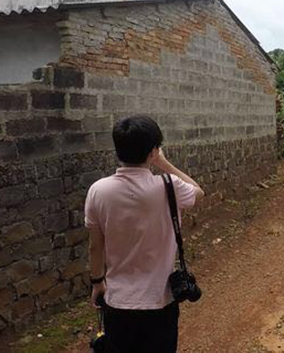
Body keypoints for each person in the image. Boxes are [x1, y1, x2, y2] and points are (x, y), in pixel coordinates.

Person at [85, 115, 205, 352]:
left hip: (118, 303)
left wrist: (97, 283)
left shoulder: (98, 191)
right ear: (153, 151)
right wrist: (164, 164)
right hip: (160, 302)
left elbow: (95, 246)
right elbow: (198, 192)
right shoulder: (169, 186)